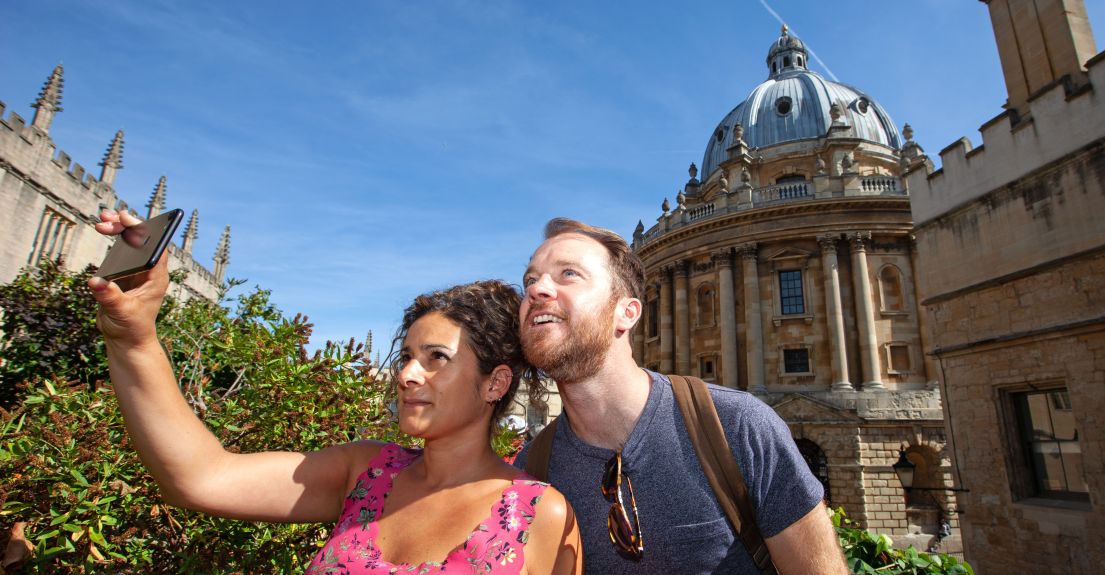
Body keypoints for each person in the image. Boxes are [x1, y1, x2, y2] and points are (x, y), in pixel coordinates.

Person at [89, 209, 582, 574]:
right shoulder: (363, 472)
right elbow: (199, 478)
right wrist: (132, 338)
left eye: (437, 359)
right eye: (407, 356)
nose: (408, 374)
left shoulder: (539, 514)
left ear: (495, 382)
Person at [515, 218, 849, 574]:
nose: (538, 289)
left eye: (568, 274)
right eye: (530, 280)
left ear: (626, 313)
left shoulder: (738, 428)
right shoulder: (529, 471)